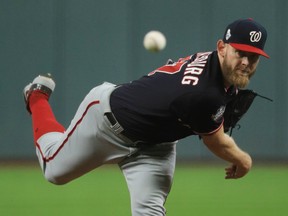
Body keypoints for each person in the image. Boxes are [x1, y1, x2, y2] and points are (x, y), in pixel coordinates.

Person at [23, 18, 269, 216]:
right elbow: (216, 142)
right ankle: (37, 97)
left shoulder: (218, 71)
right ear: (222, 48)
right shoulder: (204, 95)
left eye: (254, 57)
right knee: (53, 171)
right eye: (240, 53)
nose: (246, 62)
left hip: (155, 145)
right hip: (107, 123)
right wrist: (244, 160)